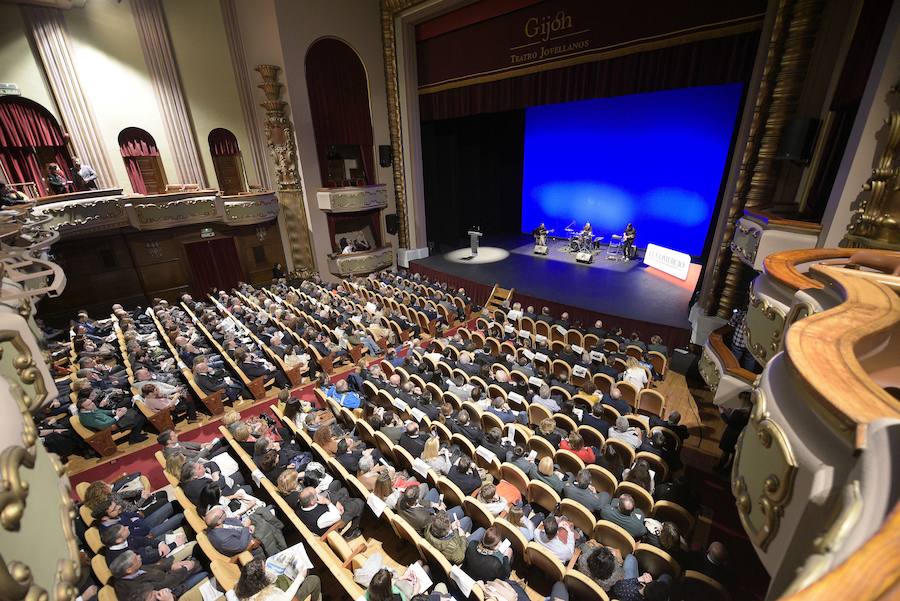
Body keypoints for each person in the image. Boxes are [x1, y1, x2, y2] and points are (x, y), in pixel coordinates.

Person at [108, 550, 206, 601]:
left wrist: (171, 566)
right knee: (201, 571)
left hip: (166, 575)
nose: (139, 556)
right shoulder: (135, 589)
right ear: (129, 569)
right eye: (136, 558)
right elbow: (165, 583)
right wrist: (184, 569)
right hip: (172, 587)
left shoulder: (131, 571)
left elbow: (153, 567)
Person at [234, 557, 322, 601]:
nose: (268, 568)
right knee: (314, 579)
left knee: (282, 577)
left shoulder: (244, 585)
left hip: (278, 593)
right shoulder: (268, 597)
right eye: (265, 569)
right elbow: (286, 598)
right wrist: (300, 577)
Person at [77, 397, 147, 444]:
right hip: (110, 428)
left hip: (113, 420)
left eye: (91, 402)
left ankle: (134, 435)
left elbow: (101, 411)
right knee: (140, 417)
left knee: (133, 411)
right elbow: (103, 426)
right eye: (89, 404)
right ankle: (135, 438)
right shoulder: (86, 418)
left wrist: (115, 411)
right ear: (83, 409)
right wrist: (118, 416)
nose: (92, 404)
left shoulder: (88, 410)